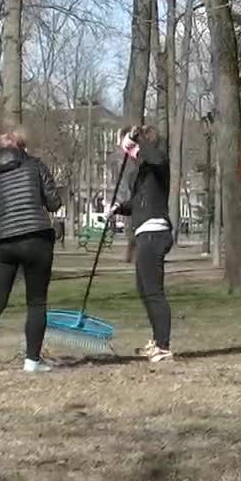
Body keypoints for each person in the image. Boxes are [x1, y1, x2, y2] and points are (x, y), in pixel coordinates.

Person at [0, 126, 62, 375]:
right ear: (23, 146)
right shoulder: (36, 165)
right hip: (36, 238)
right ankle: (32, 361)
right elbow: (54, 202)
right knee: (36, 302)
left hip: (3, 243)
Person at [107, 125, 174, 363]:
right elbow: (138, 202)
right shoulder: (140, 172)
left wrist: (138, 143)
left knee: (154, 291)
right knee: (144, 290)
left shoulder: (158, 163)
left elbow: (156, 159)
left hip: (156, 232)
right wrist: (119, 208)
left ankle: (163, 346)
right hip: (143, 232)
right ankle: (156, 340)